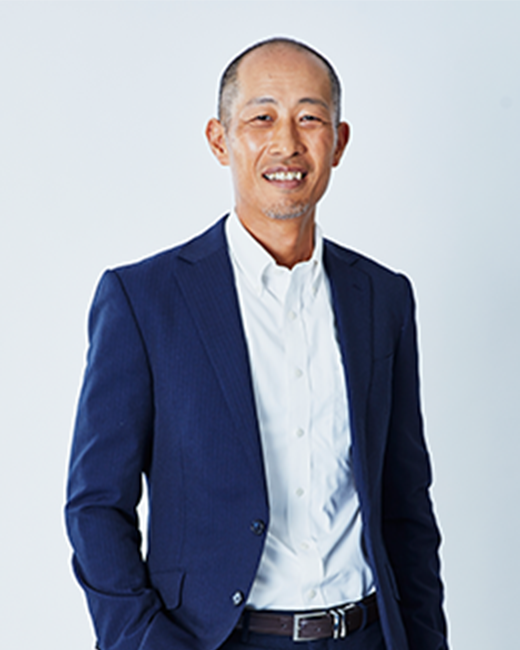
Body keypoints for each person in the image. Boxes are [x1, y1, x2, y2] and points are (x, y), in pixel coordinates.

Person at [65, 37, 448, 650]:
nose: (287, 143)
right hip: (215, 639)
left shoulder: (383, 298)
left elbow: (406, 505)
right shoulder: (145, 300)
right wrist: (144, 640)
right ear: (220, 140)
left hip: (369, 634)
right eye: (262, 118)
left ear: (339, 142)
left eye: (309, 118)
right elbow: (95, 506)